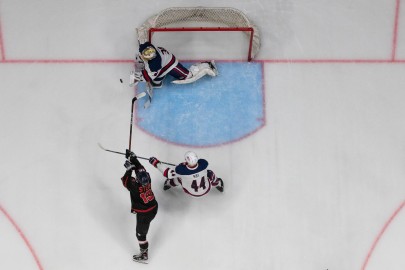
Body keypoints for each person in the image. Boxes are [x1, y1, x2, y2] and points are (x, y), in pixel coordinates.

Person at [121, 150, 158, 264]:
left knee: (140, 234)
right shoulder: (148, 178)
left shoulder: (134, 186)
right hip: (153, 207)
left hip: (144, 214)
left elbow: (125, 181)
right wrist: (133, 158)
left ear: (137, 180)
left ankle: (144, 254)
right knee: (141, 231)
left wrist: (128, 170)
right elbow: (141, 168)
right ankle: (144, 252)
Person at [129, 41, 218, 88]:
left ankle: (207, 65)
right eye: (146, 53)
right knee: (156, 81)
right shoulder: (152, 50)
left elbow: (148, 77)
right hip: (163, 65)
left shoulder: (155, 63)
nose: (150, 54)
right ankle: (159, 79)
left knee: (188, 76)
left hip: (170, 64)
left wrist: (137, 78)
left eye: (150, 52)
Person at [148, 151, 224, 197]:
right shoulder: (203, 164)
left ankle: (168, 184)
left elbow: (167, 173)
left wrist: (155, 163)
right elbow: (200, 163)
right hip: (206, 189)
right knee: (209, 173)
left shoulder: (181, 170)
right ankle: (218, 184)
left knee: (178, 178)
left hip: (190, 191)